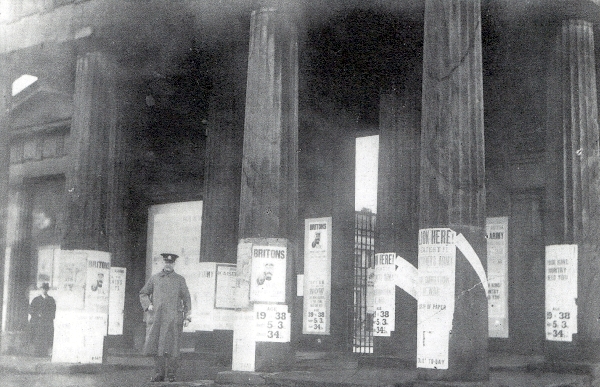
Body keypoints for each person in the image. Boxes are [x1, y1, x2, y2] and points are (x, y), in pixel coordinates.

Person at [139, 253, 191, 383]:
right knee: (158, 346)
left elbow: (187, 299)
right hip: (158, 319)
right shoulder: (155, 278)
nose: (168, 265)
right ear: (163, 263)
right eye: (166, 262)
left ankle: (172, 374)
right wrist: (148, 305)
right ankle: (159, 374)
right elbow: (143, 293)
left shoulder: (180, 280)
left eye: (171, 263)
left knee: (173, 347)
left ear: (174, 264)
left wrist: (187, 317)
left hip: (174, 319)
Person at [28, 282, 56, 357]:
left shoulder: (51, 300)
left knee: (46, 337)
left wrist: (48, 316)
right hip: (38, 322)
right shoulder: (36, 299)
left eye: (46, 289)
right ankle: (37, 353)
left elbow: (53, 311)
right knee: (38, 337)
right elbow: (30, 310)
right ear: (41, 289)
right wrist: (37, 314)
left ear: (48, 290)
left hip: (46, 322)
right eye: (43, 289)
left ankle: (44, 353)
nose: (44, 290)